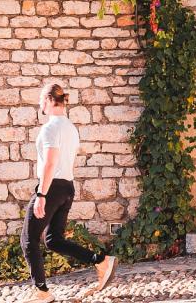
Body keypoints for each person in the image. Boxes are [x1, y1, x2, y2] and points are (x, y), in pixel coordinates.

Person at [23, 81, 118, 301]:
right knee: (53, 239)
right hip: (67, 187)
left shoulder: (50, 128)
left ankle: (41, 292)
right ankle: (100, 260)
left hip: (52, 187)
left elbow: (50, 163)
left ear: (48, 100)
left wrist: (41, 195)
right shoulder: (70, 128)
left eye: (41, 101)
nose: (40, 106)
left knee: (28, 239)